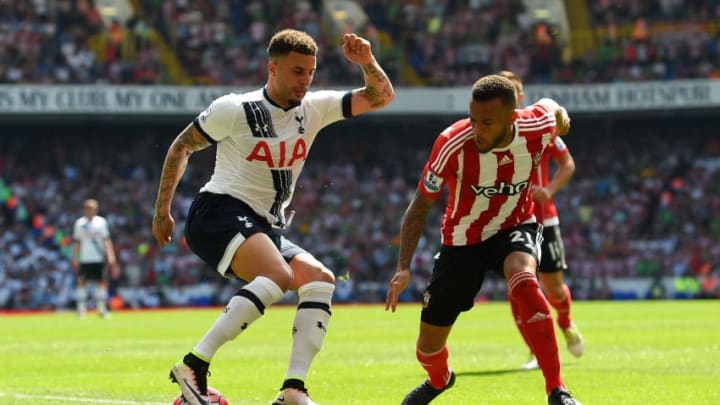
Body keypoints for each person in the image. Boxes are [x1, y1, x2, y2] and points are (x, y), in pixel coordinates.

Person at [152, 29, 394, 405]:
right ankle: (192, 367)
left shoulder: (314, 108)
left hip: (262, 223)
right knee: (278, 276)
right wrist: (162, 209)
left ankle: (293, 390)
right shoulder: (235, 108)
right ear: (272, 67)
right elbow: (182, 145)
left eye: (311, 72)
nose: (305, 80)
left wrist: (366, 61)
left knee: (320, 279)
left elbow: (381, 96)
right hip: (217, 212)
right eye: (297, 71)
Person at [385, 74, 583, 405]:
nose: (477, 129)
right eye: (473, 119)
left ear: (513, 115)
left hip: (515, 226)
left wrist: (560, 113)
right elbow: (418, 208)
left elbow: (550, 110)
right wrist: (403, 267)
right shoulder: (451, 143)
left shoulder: (535, 127)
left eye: (487, 122)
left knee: (524, 279)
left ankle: (557, 390)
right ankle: (439, 380)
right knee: (427, 347)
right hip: (462, 241)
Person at [498, 70, 584, 370]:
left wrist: (549, 189)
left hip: (543, 220)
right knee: (518, 287)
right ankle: (535, 351)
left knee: (554, 288)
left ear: (520, 97)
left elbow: (567, 163)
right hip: (508, 222)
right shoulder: (490, 129)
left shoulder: (539, 126)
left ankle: (566, 320)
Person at [71, 198, 118, 319]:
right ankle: (81, 310)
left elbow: (106, 240)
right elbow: (76, 243)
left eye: (91, 208)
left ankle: (101, 309)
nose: (89, 211)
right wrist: (75, 258)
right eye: (87, 208)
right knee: (82, 283)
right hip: (84, 259)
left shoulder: (101, 222)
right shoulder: (79, 224)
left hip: (98, 258)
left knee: (101, 283)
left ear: (96, 209)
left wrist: (111, 255)